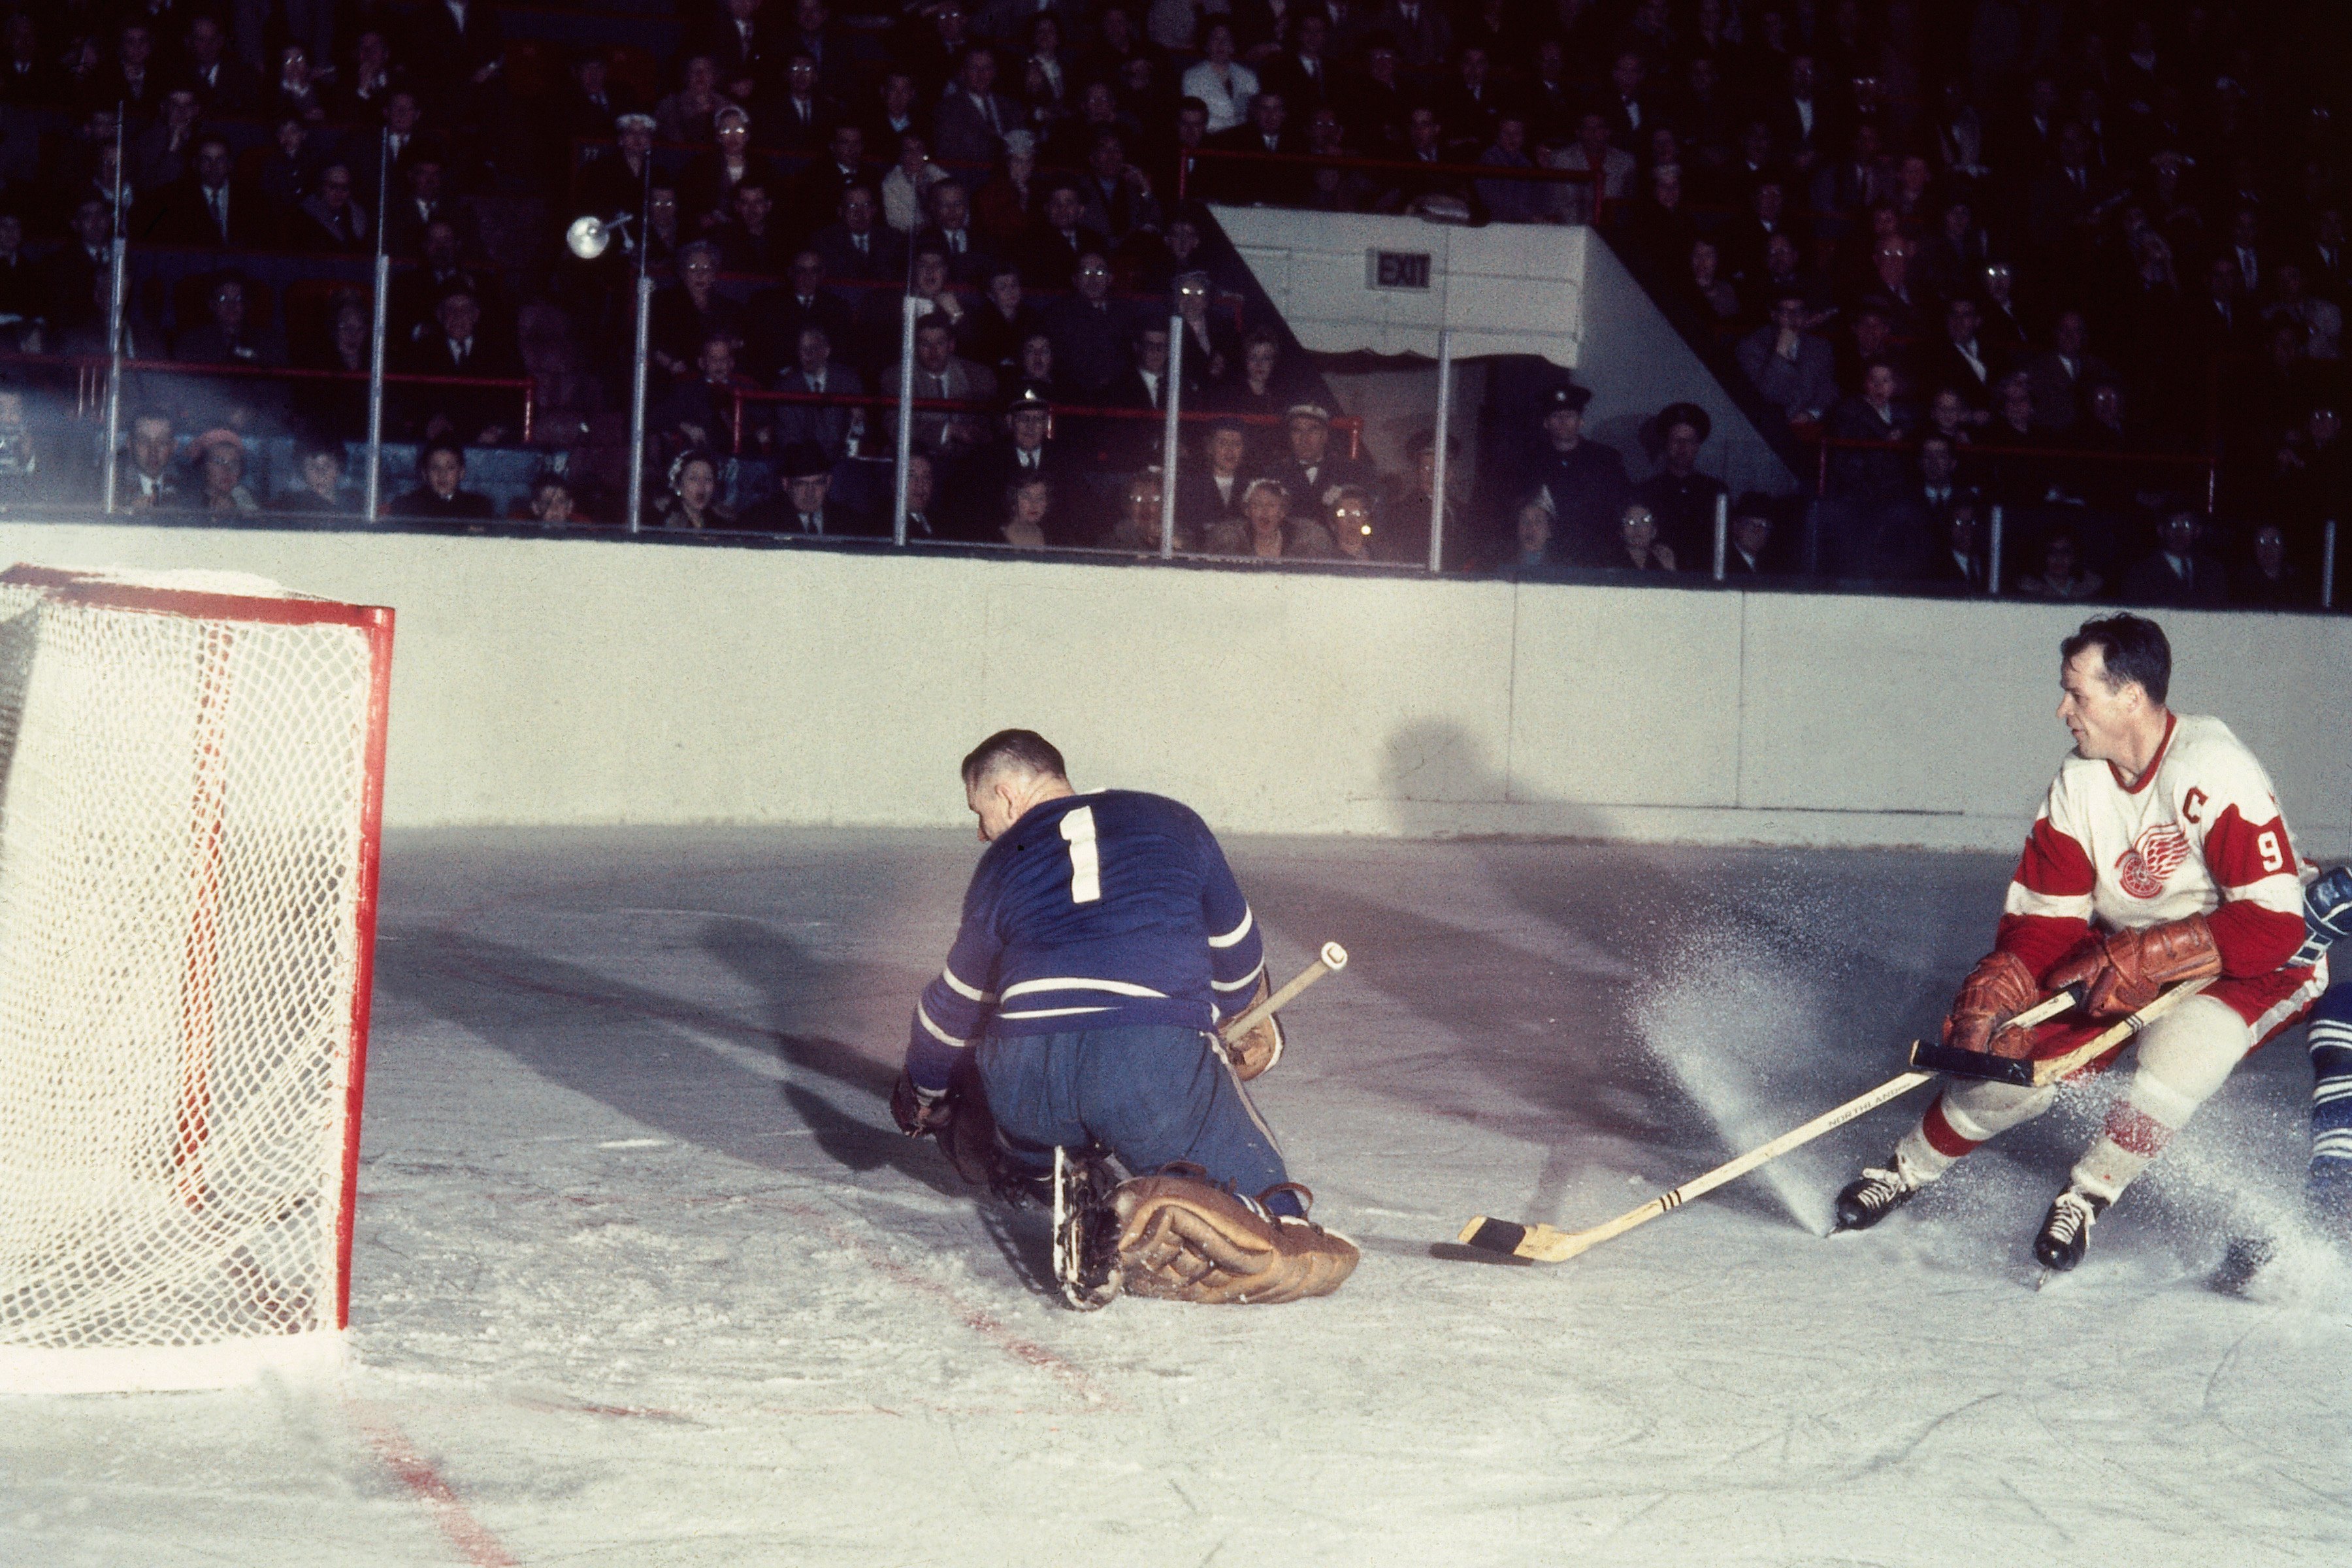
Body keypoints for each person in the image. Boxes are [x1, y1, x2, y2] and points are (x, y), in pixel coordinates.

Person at [1832, 614, 2327, 1273]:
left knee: (2182, 1057)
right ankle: (1905, 1169)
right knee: (2017, 1065)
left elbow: (2274, 925)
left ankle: (2089, 1195)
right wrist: (2006, 978)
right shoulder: (2081, 780)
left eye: (2078, 694)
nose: (2063, 709)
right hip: (2123, 949)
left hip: (2252, 960)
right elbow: (2048, 919)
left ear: (2130, 697)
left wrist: (2152, 955)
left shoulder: (2213, 767)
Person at [890, 728, 1357, 1306]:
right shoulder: (1174, 821)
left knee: (1011, 1110)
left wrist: (927, 1092)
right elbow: (1238, 953)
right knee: (1280, 1217)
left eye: (980, 811)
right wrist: (1240, 1017)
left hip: (1026, 1084)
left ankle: (1072, 1198)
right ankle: (1257, 1215)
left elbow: (950, 1008)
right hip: (1144, 1063)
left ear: (1008, 795)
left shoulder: (997, 867)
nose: (982, 830)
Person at [1516, 384, 1627, 564]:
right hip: (1546, 559)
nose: (1562, 421)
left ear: (1581, 421)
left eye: (1569, 415)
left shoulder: (1606, 459)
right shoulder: (1530, 462)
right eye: (1556, 416)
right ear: (1546, 423)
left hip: (1596, 557)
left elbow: (1621, 509)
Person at [390, 440, 496, 519]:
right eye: (435, 468)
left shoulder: (479, 507)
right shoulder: (406, 506)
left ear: (461, 473)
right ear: (425, 474)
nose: (442, 475)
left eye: (450, 468)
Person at [268, 438, 358, 515]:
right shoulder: (288, 507)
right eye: (312, 466)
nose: (321, 474)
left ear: (339, 469)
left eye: (327, 466)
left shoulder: (359, 506)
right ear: (303, 471)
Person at [653, 450, 737, 531]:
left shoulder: (724, 521)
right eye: (693, 479)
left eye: (708, 479)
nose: (702, 486)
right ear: (677, 485)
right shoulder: (660, 520)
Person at [1608, 501, 1676, 571]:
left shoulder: (1661, 560)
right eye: (1630, 522)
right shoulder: (1609, 560)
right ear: (1622, 532)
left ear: (1654, 531)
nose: (1637, 528)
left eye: (1645, 521)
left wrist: (1670, 568)